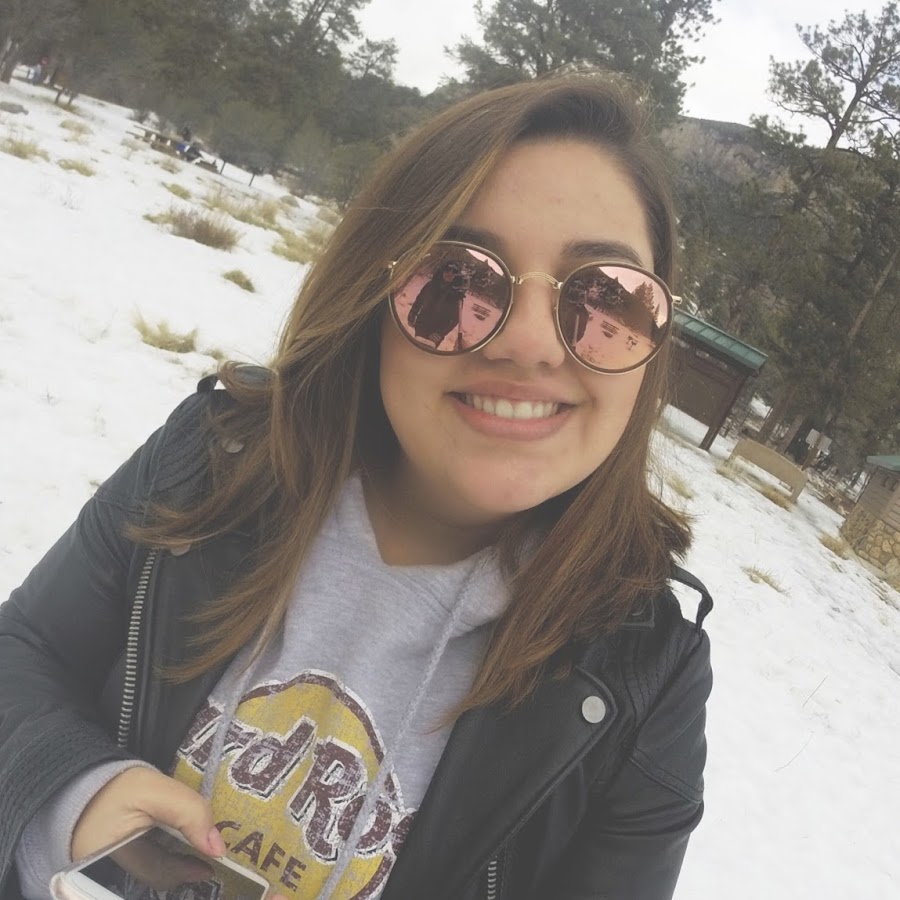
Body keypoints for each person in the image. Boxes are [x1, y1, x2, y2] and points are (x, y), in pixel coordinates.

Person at [0, 72, 713, 900]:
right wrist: (75, 794)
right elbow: (24, 654)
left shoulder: (645, 675)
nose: (528, 343)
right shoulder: (217, 459)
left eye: (607, 298)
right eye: (457, 280)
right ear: (373, 295)